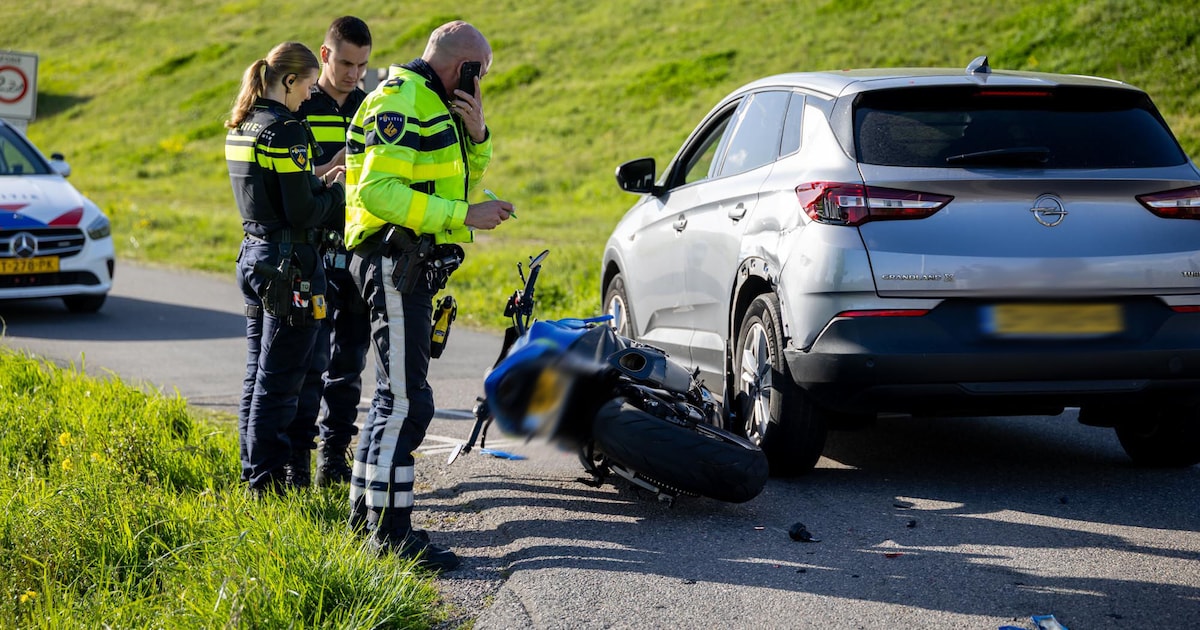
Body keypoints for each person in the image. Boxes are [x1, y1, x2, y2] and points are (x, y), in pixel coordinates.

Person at [344, 20, 514, 572]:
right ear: (465, 66)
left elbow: (455, 180)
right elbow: (379, 192)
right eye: (480, 73)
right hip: (395, 263)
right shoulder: (401, 101)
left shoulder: (435, 103)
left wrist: (478, 135)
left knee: (393, 398)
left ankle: (363, 520)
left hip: (409, 266)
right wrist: (465, 215)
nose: (481, 83)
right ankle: (391, 536)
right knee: (408, 403)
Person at [225, 41, 346, 496]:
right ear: (289, 80)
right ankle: (268, 488)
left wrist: (320, 179)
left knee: (257, 375)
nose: (311, 94)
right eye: (309, 85)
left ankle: (252, 476)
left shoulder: (244, 123)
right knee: (280, 384)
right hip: (290, 267)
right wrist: (338, 193)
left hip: (255, 257)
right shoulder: (287, 130)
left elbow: (276, 193)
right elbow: (302, 213)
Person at [295, 16, 373, 487]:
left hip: (360, 253)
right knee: (309, 364)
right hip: (313, 253)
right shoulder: (301, 105)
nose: (353, 74)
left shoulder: (372, 107)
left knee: (349, 364)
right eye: (346, 63)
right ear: (325, 55)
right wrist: (333, 166)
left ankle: (333, 461)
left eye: (362, 66)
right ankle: (297, 466)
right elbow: (288, 183)